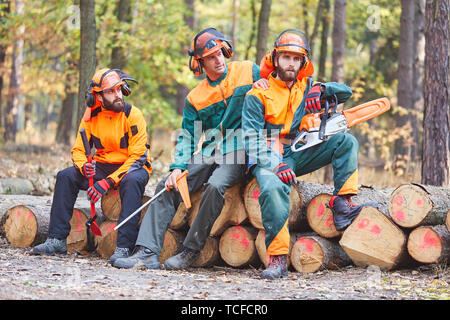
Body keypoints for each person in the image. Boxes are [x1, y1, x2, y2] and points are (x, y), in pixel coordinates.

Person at [113, 27, 263, 270]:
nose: (219, 61)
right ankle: (146, 252)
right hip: (212, 150)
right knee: (168, 185)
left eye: (220, 53)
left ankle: (191, 250)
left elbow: (278, 82)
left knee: (215, 185)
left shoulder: (248, 71)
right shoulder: (195, 97)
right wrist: (178, 167)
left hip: (242, 149)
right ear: (200, 63)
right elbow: (187, 137)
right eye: (211, 57)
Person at [242, 29, 375, 280]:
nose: (290, 63)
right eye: (286, 58)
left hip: (298, 149)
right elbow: (251, 138)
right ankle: (278, 257)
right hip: (268, 152)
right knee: (272, 189)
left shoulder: (307, 86)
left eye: (296, 58)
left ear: (303, 62)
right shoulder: (257, 93)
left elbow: (345, 92)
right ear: (276, 58)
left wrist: (322, 89)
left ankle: (342, 203)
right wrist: (274, 164)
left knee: (345, 141)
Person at [32, 68, 152, 266]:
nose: (118, 95)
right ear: (98, 96)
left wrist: (108, 182)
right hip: (103, 166)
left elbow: (137, 156)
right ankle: (56, 239)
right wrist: (83, 166)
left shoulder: (133, 115)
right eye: (111, 92)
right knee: (66, 176)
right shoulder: (91, 116)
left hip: (132, 167)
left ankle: (124, 247)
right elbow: (78, 149)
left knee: (131, 181)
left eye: (120, 90)